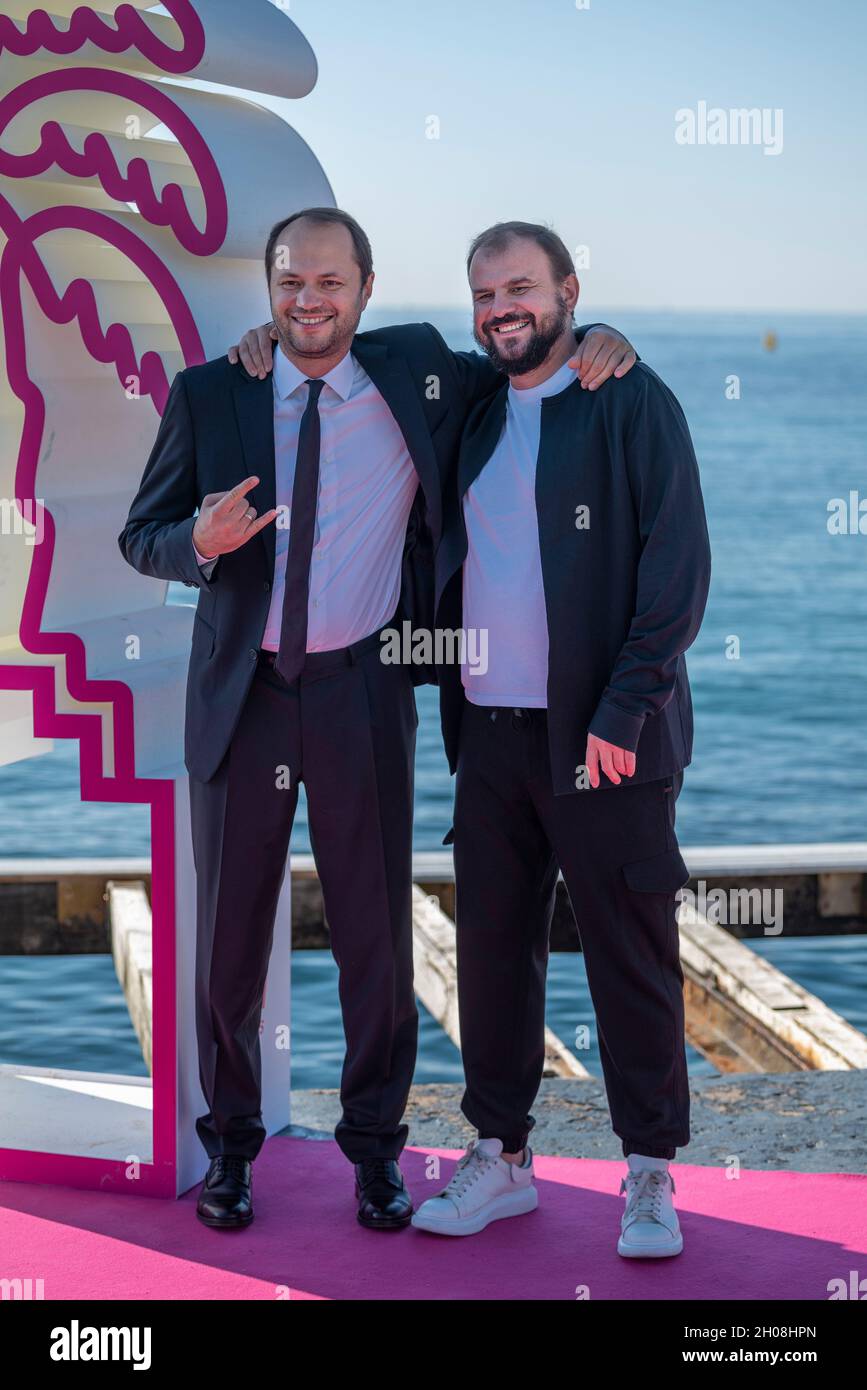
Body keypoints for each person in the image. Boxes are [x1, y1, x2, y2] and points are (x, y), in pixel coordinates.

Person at [119, 206, 636, 1232]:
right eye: (289, 282)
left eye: (329, 282)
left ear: (364, 287)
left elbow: (521, 350)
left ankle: (375, 1151)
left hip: (364, 689)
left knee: (374, 937)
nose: (308, 300)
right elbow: (143, 534)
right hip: (245, 698)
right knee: (228, 938)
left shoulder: (421, 376)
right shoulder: (213, 390)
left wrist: (604, 339)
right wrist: (201, 542)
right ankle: (229, 1150)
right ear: (270, 287)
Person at [407, 222, 711, 1257]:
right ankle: (501, 1157)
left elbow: (676, 573)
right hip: (489, 732)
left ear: (568, 291)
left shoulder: (630, 399)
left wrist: (623, 713)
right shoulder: (478, 406)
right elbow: (367, 343)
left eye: (523, 289)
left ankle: (651, 1171)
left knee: (631, 952)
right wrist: (276, 334)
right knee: (493, 951)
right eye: (486, 293)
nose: (504, 308)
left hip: (603, 738)